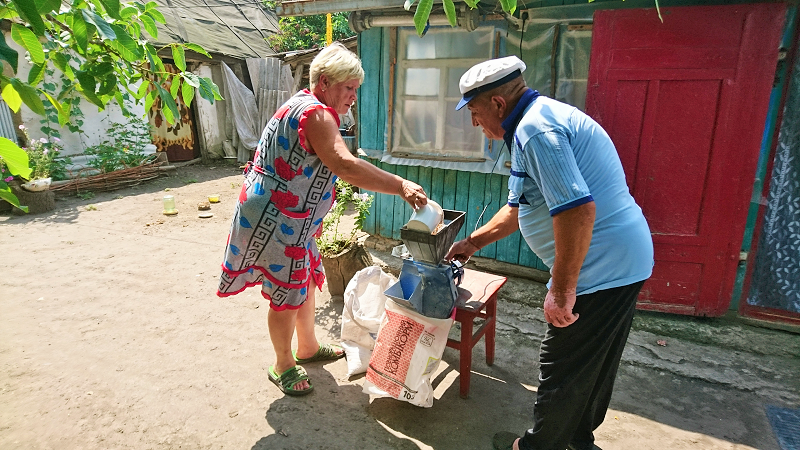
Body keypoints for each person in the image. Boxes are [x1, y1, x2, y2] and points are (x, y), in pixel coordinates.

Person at [445, 56, 653, 450]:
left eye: (474, 111)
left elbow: (577, 209)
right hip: (620, 261)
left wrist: (561, 289)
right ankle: (578, 441)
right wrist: (473, 243)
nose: (474, 123)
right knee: (591, 365)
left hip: (603, 268)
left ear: (497, 105)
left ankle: (540, 447)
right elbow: (518, 208)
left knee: (563, 365)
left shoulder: (536, 131)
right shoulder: (533, 122)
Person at [217, 42, 428, 397]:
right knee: (286, 292)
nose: (352, 98)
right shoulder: (317, 114)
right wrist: (401, 185)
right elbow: (344, 165)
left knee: (302, 281)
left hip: (287, 217)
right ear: (326, 81)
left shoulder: (301, 102)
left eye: (355, 90)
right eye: (349, 89)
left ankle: (308, 347)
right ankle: (283, 363)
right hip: (279, 217)